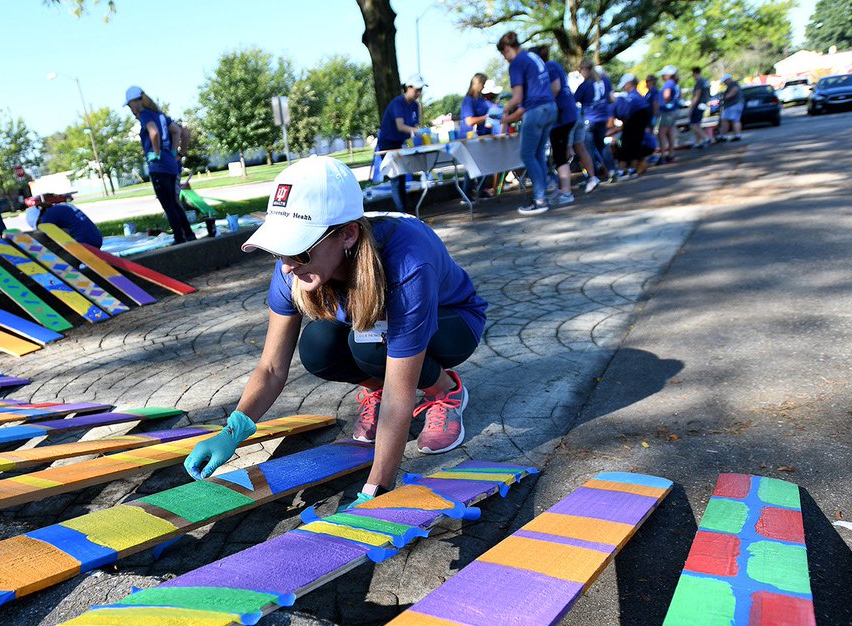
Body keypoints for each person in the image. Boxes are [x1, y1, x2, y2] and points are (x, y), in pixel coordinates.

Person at [182, 156, 488, 502]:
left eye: (298, 249)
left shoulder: (406, 261)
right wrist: (232, 431)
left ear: (348, 234)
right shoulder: (292, 263)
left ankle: (445, 392)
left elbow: (399, 394)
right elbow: (270, 368)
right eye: (278, 250)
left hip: (452, 322)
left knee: (370, 347)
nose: (285, 267)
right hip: (374, 329)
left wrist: (378, 488)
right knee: (318, 347)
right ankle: (376, 386)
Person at [124, 86, 196, 244]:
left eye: (130, 105)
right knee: (174, 202)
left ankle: (179, 238)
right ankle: (189, 234)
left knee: (168, 204)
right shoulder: (160, 115)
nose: (130, 109)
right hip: (170, 164)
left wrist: (156, 152)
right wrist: (174, 152)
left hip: (159, 166)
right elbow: (178, 131)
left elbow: (154, 132)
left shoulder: (144, 114)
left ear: (135, 102)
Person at [498, 32, 556, 215]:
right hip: (550, 108)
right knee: (538, 154)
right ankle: (545, 192)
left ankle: (540, 199)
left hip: (536, 111)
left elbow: (517, 98)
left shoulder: (517, 63)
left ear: (507, 49)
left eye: (503, 55)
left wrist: (503, 110)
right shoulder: (533, 56)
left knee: (527, 155)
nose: (505, 59)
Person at [376, 74, 426, 214]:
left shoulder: (415, 105)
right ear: (408, 87)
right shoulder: (398, 103)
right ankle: (402, 213)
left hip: (400, 143)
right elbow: (401, 126)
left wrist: (418, 134)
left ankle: (404, 212)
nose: (418, 93)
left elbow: (413, 125)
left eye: (420, 90)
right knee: (396, 179)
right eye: (416, 89)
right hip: (388, 143)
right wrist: (416, 130)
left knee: (402, 177)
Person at [535, 45, 578, 207]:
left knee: (559, 155)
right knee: (559, 153)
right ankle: (563, 188)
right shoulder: (552, 66)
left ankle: (566, 192)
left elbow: (555, 88)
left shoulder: (549, 66)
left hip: (561, 116)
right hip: (564, 115)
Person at [575, 60, 617, 182]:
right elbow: (611, 99)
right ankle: (612, 170)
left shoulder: (584, 85)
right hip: (602, 118)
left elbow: (575, 100)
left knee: (588, 148)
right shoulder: (605, 81)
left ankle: (593, 175)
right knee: (602, 145)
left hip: (589, 119)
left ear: (584, 69)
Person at [606, 74, 653, 178]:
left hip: (636, 116)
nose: (624, 87)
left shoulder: (616, 102)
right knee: (633, 142)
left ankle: (623, 170)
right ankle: (632, 168)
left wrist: (608, 132)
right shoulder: (633, 96)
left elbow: (610, 123)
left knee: (626, 143)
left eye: (625, 85)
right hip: (641, 115)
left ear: (629, 84)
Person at [25, 195, 103, 248]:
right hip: (97, 239)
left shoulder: (47, 217)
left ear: (39, 217)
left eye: (38, 224)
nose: (40, 225)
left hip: (84, 244)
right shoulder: (61, 206)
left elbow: (41, 236)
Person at [657, 65, 681, 164]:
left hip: (667, 111)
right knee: (670, 133)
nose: (662, 77)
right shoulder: (674, 83)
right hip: (673, 110)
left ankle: (663, 155)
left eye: (663, 75)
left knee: (661, 134)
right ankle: (671, 154)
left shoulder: (668, 84)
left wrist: (665, 102)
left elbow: (666, 95)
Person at [688, 66, 711, 149]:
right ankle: (698, 142)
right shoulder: (705, 81)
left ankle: (706, 138)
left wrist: (691, 108)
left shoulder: (699, 82)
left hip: (698, 105)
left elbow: (697, 96)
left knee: (693, 125)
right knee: (698, 124)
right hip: (704, 104)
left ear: (694, 73)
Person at [718, 73, 744, 142]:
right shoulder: (734, 84)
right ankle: (737, 135)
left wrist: (727, 96)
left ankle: (724, 136)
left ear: (728, 79)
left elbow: (734, 90)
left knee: (725, 119)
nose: (724, 83)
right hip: (738, 104)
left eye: (725, 81)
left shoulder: (732, 84)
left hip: (733, 105)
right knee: (735, 120)